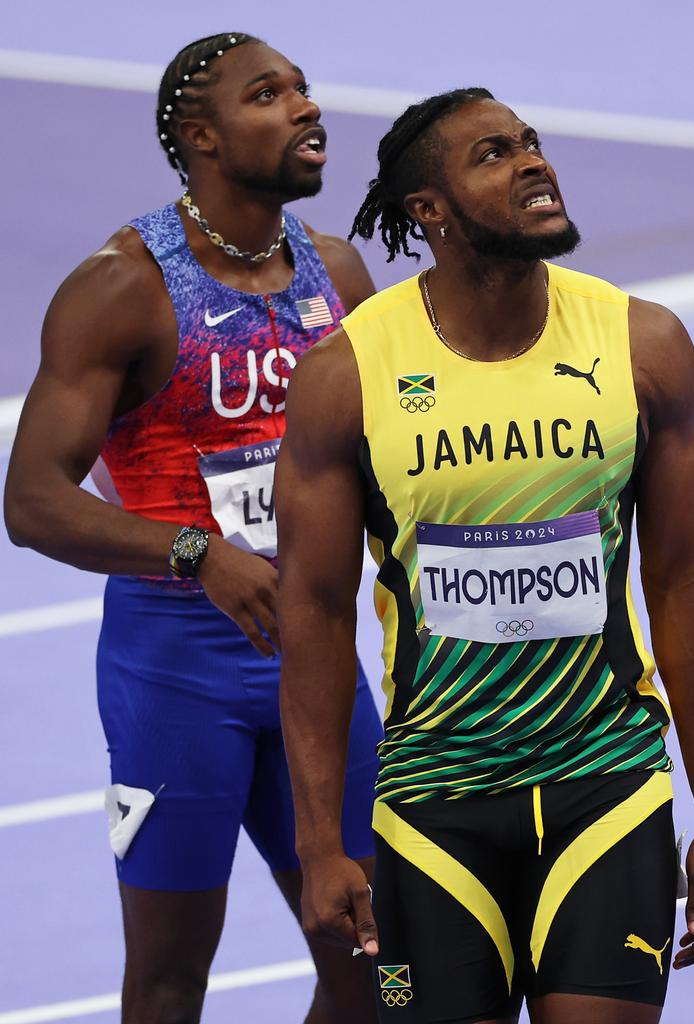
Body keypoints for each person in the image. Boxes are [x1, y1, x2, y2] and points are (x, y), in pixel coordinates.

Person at [275, 88, 694, 1024]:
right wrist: (320, 842)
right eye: (494, 154)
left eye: (531, 143)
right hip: (433, 804)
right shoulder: (348, 375)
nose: (534, 162)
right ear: (430, 210)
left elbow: (686, 576)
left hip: (605, 784)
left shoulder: (640, 345)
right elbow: (317, 611)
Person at [4, 32, 382, 1024]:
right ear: (203, 138)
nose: (305, 108)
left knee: (383, 966)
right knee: (171, 982)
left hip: (319, 664)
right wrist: (192, 550)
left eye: (303, 87)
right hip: (176, 676)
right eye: (270, 94)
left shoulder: (339, 273)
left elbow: (387, 461)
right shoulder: (121, 288)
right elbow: (32, 499)